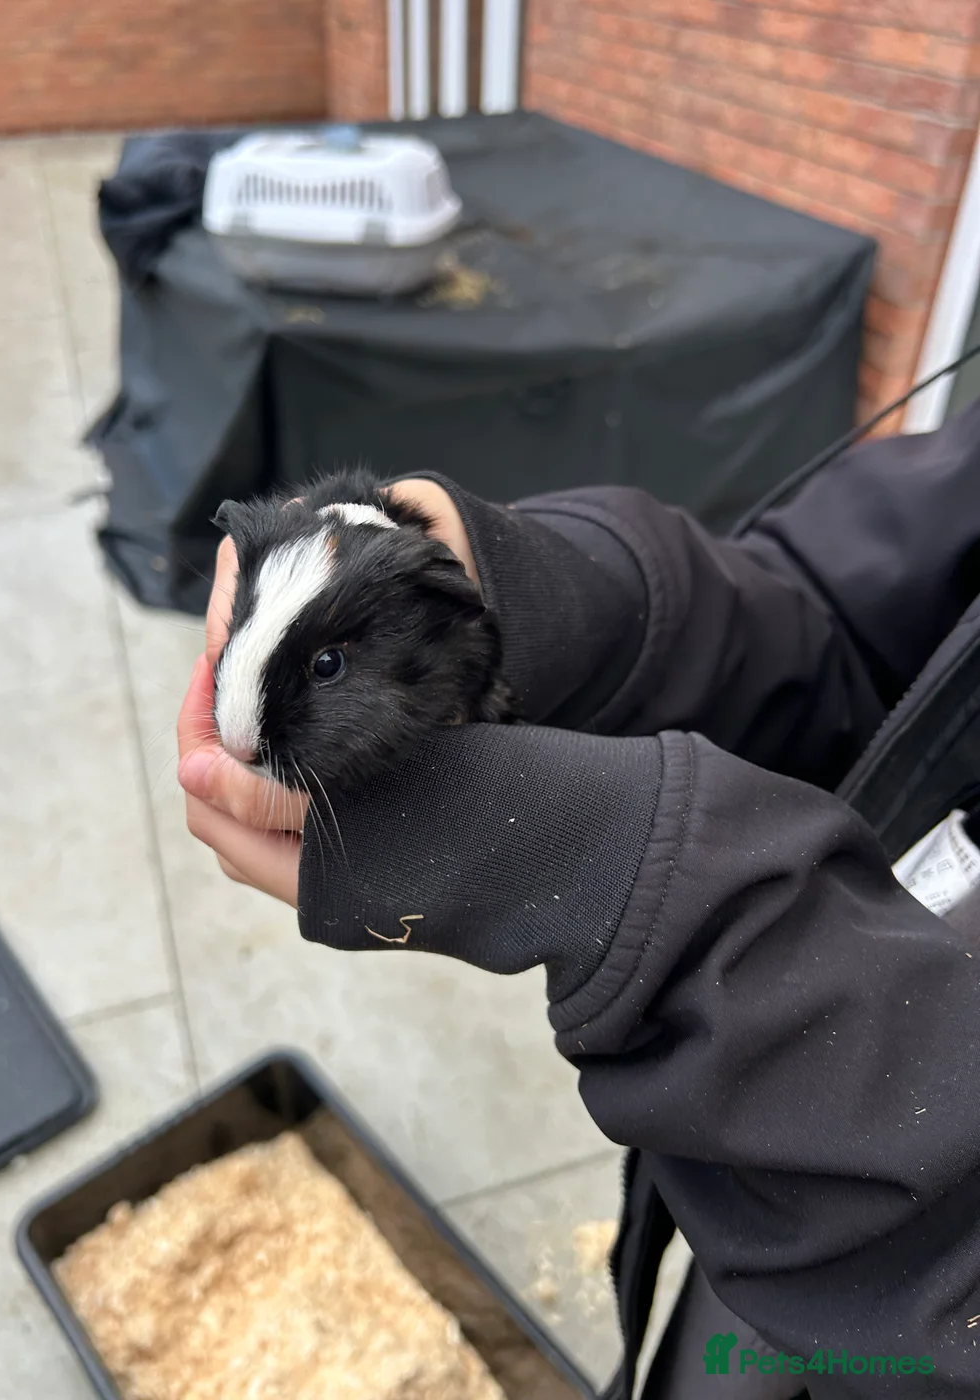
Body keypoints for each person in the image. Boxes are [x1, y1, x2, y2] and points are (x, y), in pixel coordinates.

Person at [177, 401, 980, 1398]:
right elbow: (846, 619)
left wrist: (644, 898)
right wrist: (569, 598)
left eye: (329, 666)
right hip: (761, 1273)